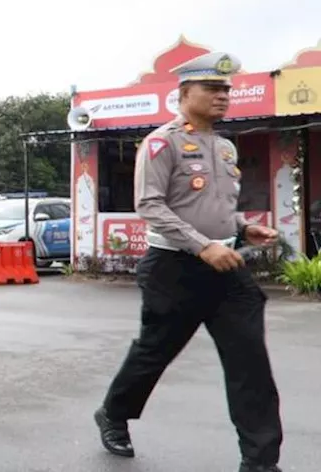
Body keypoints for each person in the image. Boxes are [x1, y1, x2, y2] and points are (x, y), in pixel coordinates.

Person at [94, 51, 285, 472]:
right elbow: (151, 205)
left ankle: (260, 462)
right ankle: (113, 413)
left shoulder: (224, 148)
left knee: (250, 363)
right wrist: (203, 246)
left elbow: (212, 206)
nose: (222, 97)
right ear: (184, 94)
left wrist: (241, 227)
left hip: (226, 266)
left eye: (226, 90)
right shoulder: (162, 143)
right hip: (173, 269)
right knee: (154, 353)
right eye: (212, 89)